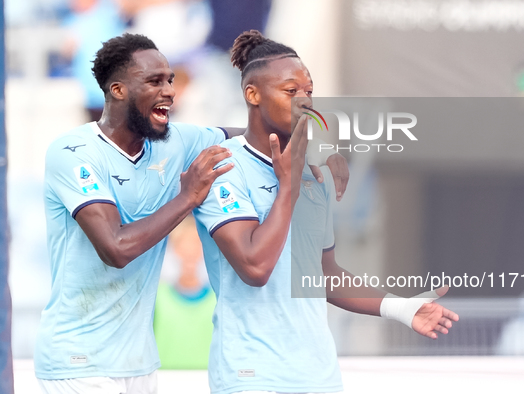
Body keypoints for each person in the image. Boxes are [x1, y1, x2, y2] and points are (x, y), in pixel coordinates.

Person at [35, 32, 348, 393]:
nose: (169, 90)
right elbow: (116, 249)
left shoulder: (178, 140)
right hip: (77, 361)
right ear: (118, 90)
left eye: (170, 79)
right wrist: (187, 197)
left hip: (138, 363)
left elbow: (252, 135)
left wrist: (320, 152)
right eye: (154, 81)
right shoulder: (72, 151)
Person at [192, 30, 459, 394]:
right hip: (253, 377)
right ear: (252, 94)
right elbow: (255, 267)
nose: (305, 100)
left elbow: (323, 272)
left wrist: (401, 309)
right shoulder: (224, 168)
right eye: (291, 91)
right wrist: (287, 186)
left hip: (319, 378)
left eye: (309, 90)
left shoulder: (313, 175)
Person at [153, 215, 215, 369]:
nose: (189, 252)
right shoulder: (156, 297)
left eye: (196, 244)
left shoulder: (219, 299)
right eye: (182, 244)